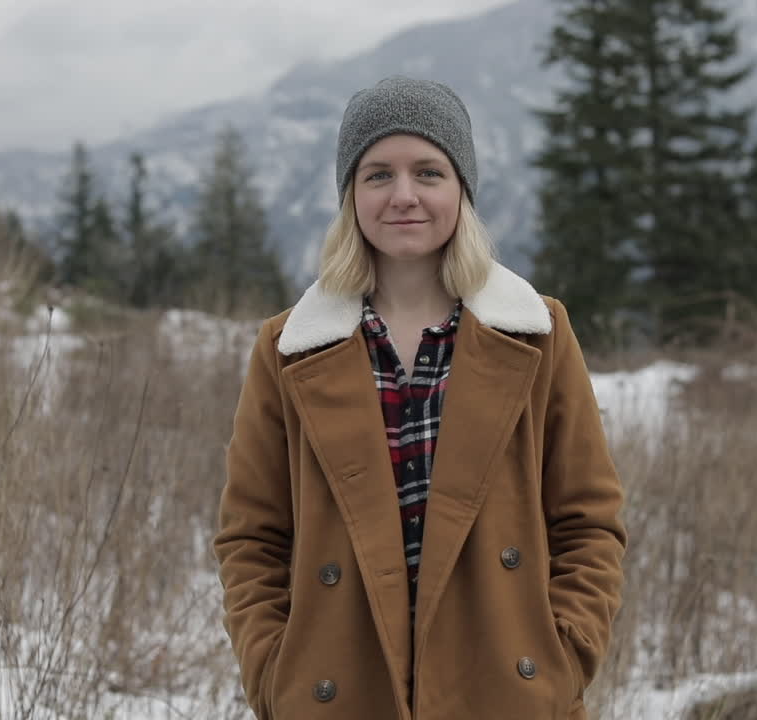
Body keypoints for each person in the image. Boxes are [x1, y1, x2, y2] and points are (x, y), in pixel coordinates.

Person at [213, 75, 626, 720]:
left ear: (462, 189)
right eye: (378, 174)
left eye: (428, 171)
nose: (403, 195)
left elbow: (588, 521)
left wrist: (561, 660)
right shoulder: (289, 347)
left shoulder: (538, 335)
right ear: (350, 194)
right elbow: (252, 538)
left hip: (503, 694)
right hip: (338, 695)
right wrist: (274, 673)